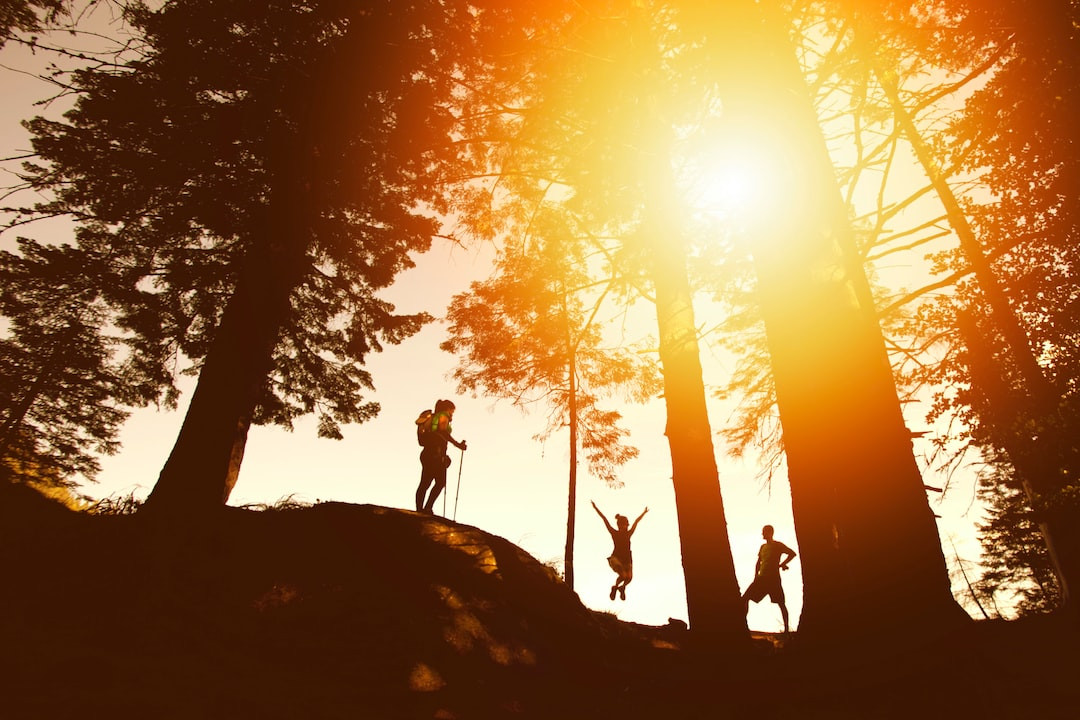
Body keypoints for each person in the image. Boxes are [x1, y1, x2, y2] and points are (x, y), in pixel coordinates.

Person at [741, 524, 797, 633]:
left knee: (781, 603)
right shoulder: (762, 547)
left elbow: (792, 553)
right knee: (745, 598)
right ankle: (744, 625)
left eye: (764, 532)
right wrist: (755, 576)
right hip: (761, 578)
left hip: (774, 580)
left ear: (770, 533)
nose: (762, 534)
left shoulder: (778, 545)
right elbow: (758, 562)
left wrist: (782, 564)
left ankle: (786, 629)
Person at [415, 399, 467, 514]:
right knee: (440, 482)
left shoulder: (433, 417)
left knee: (425, 482)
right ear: (448, 409)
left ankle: (420, 509)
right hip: (435, 454)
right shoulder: (443, 415)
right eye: (452, 411)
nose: (452, 414)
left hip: (428, 453)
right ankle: (427, 508)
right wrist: (458, 445)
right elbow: (443, 432)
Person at [592, 500, 648, 601]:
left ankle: (622, 588)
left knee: (629, 578)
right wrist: (595, 508)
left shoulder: (629, 533)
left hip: (627, 559)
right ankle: (615, 587)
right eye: (623, 525)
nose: (625, 527)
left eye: (626, 525)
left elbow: (636, 522)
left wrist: (644, 513)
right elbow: (604, 519)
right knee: (623, 575)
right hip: (616, 558)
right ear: (619, 526)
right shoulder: (614, 533)